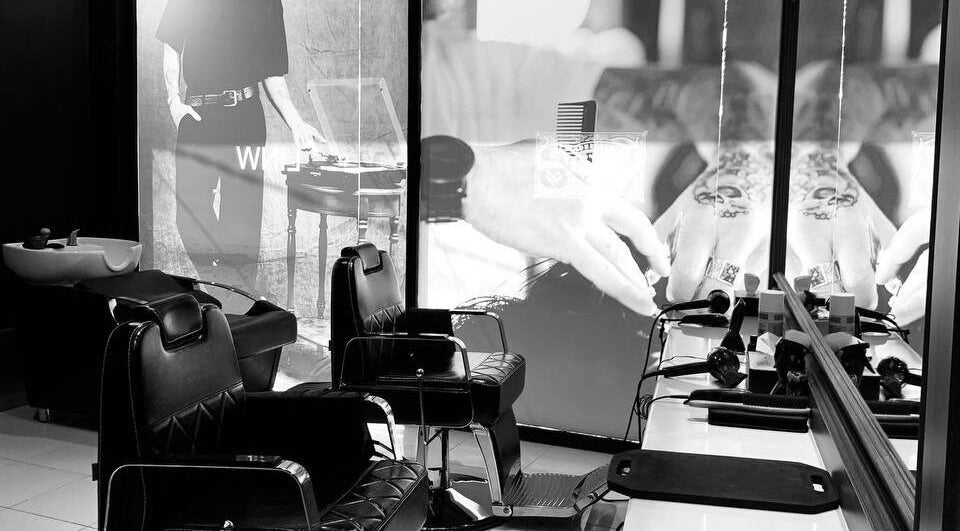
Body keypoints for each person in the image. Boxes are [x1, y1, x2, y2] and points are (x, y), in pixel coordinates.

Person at [157, 0, 323, 273]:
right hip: (198, 117)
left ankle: (232, 305)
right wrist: (174, 102)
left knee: (242, 224)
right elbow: (171, 43)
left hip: (246, 121)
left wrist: (297, 123)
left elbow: (272, 72)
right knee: (190, 216)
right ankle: (219, 285)